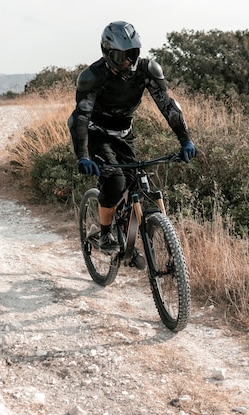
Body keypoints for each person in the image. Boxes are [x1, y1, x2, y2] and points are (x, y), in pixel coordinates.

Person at [68, 21, 196, 261]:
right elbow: (81, 118)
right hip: (95, 132)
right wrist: (83, 156)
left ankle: (127, 239)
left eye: (133, 54)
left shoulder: (148, 70)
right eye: (121, 55)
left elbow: (167, 106)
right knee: (115, 180)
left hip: (124, 133)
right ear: (107, 52)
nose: (128, 61)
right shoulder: (92, 77)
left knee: (134, 179)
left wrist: (185, 140)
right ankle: (106, 233)